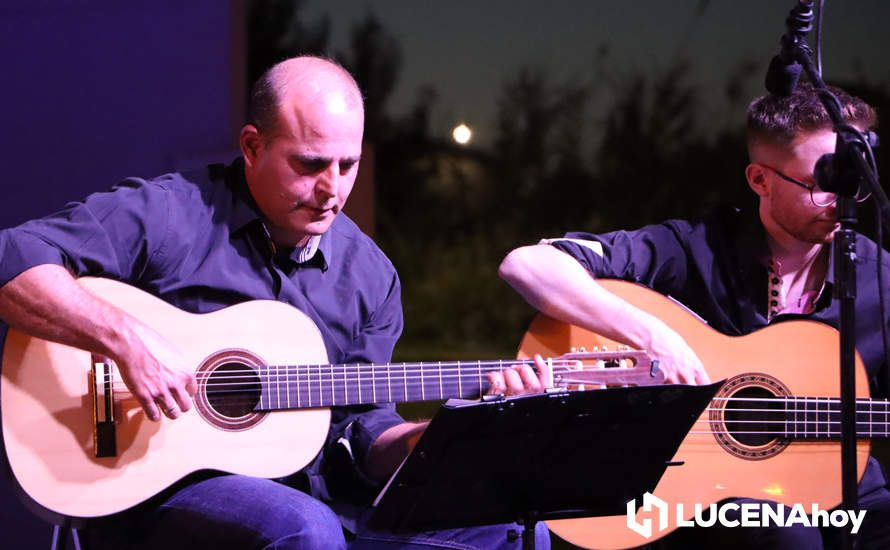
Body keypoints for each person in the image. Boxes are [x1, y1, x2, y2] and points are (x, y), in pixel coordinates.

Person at [0, 56, 550, 549]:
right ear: (252, 146)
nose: (332, 189)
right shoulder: (170, 214)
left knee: (517, 533)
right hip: (154, 484)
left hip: (322, 497)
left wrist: (439, 439)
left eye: (347, 165)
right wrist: (127, 342)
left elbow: (362, 431)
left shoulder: (370, 276)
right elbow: (14, 261)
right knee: (304, 528)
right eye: (310, 164)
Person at [498, 83, 890, 548]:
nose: (841, 202)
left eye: (854, 181)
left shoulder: (880, 280)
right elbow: (528, 265)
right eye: (820, 182)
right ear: (760, 180)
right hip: (693, 496)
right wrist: (656, 337)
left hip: (841, 492)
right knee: (784, 535)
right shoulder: (694, 248)